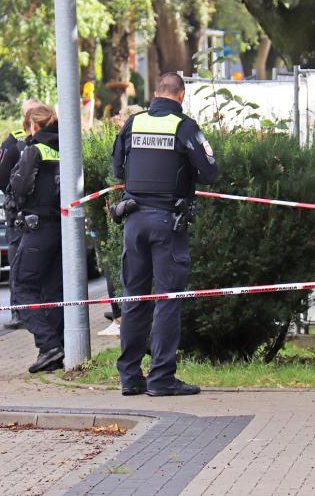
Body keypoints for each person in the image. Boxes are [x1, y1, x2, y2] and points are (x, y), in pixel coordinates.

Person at [111, 72, 217, 396]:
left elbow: (117, 169)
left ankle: (130, 377)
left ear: (156, 92)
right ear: (181, 96)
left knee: (134, 297)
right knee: (167, 299)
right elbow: (210, 171)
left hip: (133, 221)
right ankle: (161, 378)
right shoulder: (184, 127)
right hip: (167, 224)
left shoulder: (133, 124)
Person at [9, 104, 65, 373]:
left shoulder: (34, 149)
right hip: (60, 227)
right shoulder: (64, 147)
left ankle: (49, 344)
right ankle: (55, 350)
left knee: (22, 288)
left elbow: (20, 187)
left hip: (37, 227)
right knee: (54, 291)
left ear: (32, 125)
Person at [97, 104, 146, 338]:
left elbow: (117, 169)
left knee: (131, 279)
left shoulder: (128, 132)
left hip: (132, 215)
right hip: (152, 216)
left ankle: (125, 324)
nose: (117, 120)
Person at [0, 98, 42, 330]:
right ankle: (27, 310)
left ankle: (20, 311)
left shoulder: (13, 141)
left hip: (18, 212)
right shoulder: (51, 140)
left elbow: (0, 180)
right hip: (37, 214)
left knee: (18, 261)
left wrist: (14, 194)